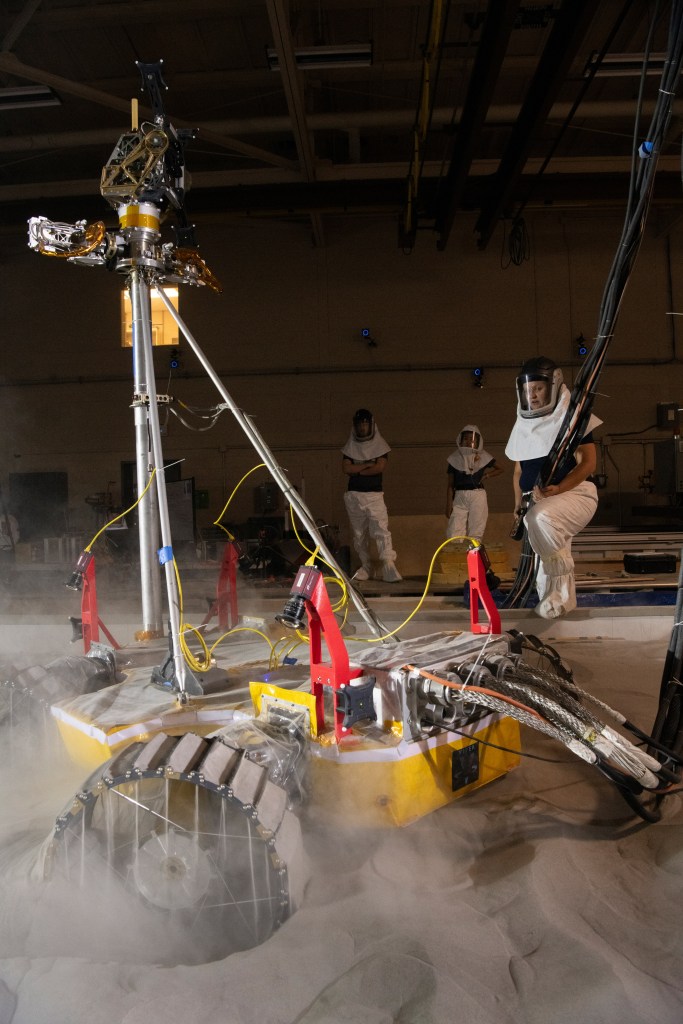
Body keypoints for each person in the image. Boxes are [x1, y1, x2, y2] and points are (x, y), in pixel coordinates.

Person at [505, 356, 600, 619]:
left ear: (553, 385)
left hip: (574, 495)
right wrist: (517, 505)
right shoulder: (523, 424)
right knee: (542, 564)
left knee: (542, 519)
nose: (532, 395)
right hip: (536, 499)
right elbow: (518, 471)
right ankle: (554, 608)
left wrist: (560, 488)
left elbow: (588, 462)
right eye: (527, 389)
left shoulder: (573, 416)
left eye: (538, 388)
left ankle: (563, 597)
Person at [342, 408, 402, 582]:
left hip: (374, 495)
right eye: (360, 424)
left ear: (371, 425)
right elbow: (346, 468)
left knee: (381, 529)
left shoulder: (380, 446)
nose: (362, 427)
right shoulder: (350, 447)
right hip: (354, 496)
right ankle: (366, 565)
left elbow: (379, 467)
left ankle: (388, 564)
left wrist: (357, 470)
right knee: (359, 533)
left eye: (365, 424)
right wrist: (367, 466)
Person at [445, 424, 502, 542]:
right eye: (465, 438)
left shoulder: (483, 456)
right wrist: (448, 504)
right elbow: (450, 484)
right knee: (455, 528)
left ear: (477, 441)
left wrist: (487, 475)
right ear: (460, 440)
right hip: (459, 495)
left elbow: (500, 468)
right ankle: (456, 556)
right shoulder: (454, 458)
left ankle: (473, 555)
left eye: (472, 439)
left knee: (477, 525)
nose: (468, 441)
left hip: (477, 494)